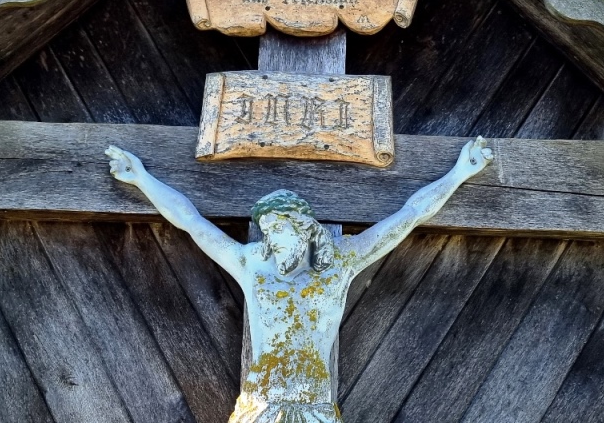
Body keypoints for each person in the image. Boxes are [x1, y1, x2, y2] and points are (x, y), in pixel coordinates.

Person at [105, 136, 493, 423]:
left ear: (304, 226)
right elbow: (190, 221)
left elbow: (408, 216)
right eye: (266, 231)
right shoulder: (250, 264)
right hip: (258, 407)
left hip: (316, 407)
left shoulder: (341, 261)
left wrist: (460, 173)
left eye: (278, 228)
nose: (270, 238)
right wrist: (141, 179)